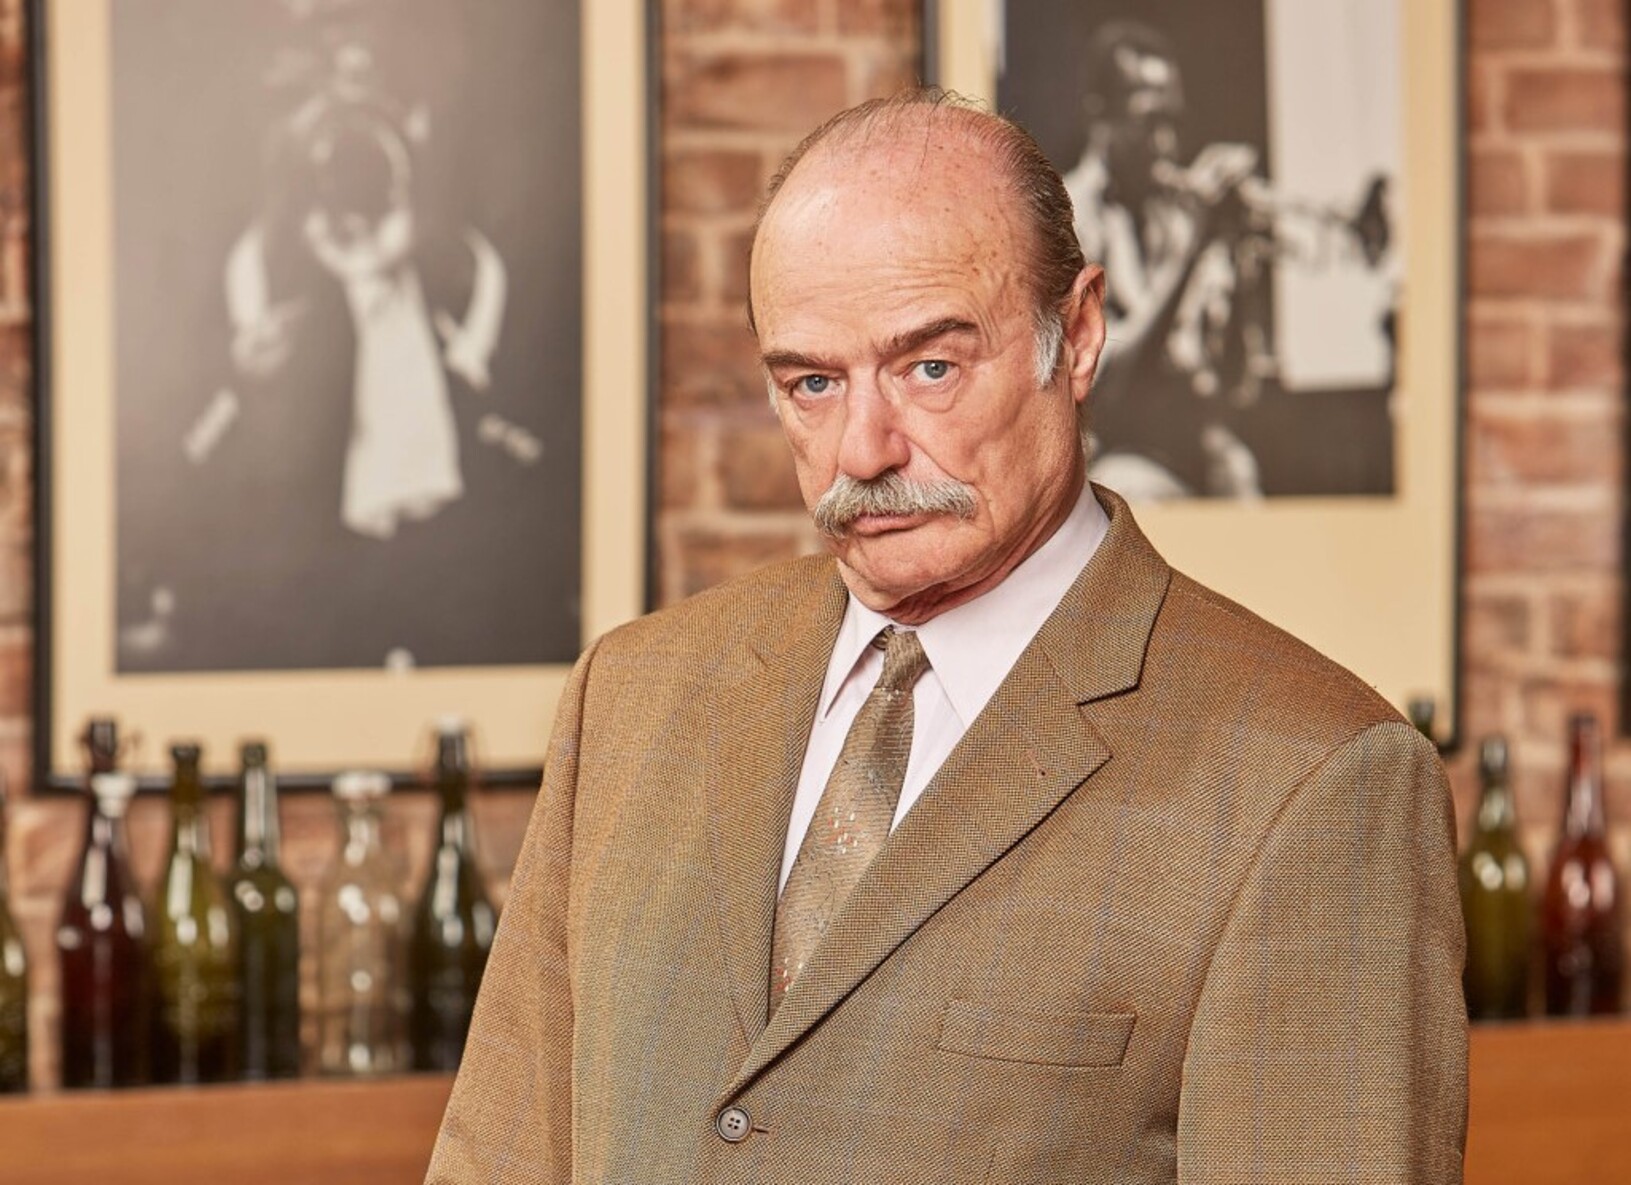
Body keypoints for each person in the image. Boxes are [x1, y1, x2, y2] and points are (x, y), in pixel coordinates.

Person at [427, 90, 1465, 1183]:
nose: (862, 450)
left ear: (1077, 335)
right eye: (812, 383)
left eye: (929, 368)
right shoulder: (630, 694)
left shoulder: (1312, 781)